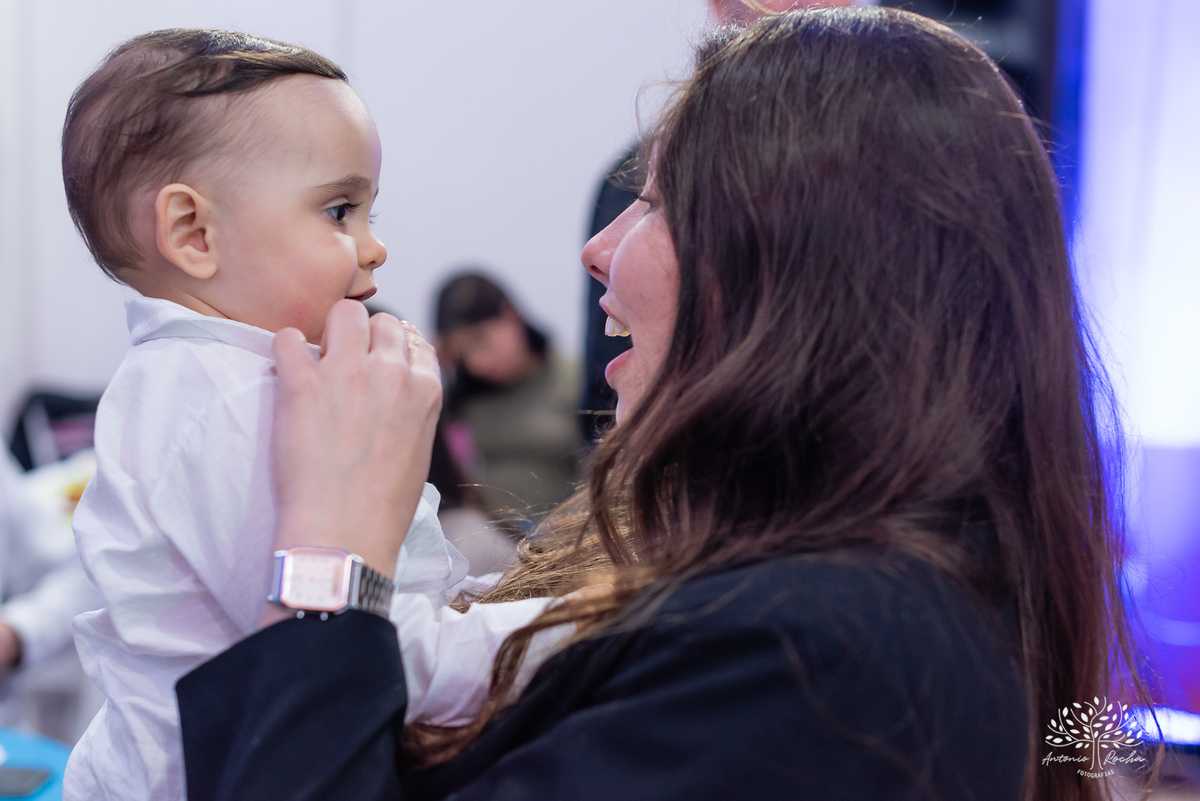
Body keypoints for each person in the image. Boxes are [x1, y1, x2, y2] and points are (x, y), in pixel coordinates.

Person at [178, 9, 1149, 801]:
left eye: (657, 200)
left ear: (799, 270)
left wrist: (331, 560)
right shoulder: (793, 598)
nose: (601, 248)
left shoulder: (827, 658)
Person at [59, 30, 551, 801]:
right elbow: (376, 657)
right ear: (194, 233)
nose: (375, 247)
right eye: (339, 209)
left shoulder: (204, 384)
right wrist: (577, 627)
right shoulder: (231, 405)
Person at [435, 272, 584, 524]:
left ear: (511, 314)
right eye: (462, 354)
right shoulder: (466, 398)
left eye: (480, 341)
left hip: (563, 529)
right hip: (491, 530)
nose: (476, 363)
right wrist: (439, 369)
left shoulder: (573, 380)